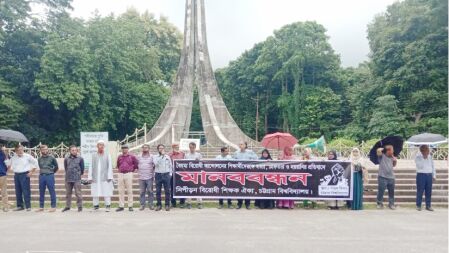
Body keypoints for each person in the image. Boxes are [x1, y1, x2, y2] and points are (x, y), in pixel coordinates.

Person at [10, 144, 39, 211]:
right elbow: (8, 163)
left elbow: (36, 162)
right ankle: (20, 206)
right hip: (16, 175)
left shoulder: (27, 156)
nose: (20, 151)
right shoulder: (13, 157)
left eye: (21, 150)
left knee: (26, 191)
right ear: (16, 151)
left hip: (24, 175)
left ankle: (28, 206)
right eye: (18, 150)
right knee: (18, 191)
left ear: (23, 149)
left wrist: (32, 171)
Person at [88, 140, 114, 212]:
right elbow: (90, 166)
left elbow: (110, 166)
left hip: (105, 177)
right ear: (97, 146)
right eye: (99, 145)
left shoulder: (107, 154)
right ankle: (96, 206)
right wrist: (90, 177)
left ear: (104, 146)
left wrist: (110, 176)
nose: (101, 146)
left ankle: (108, 206)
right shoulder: (93, 155)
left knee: (106, 192)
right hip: (95, 177)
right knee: (95, 192)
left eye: (102, 145)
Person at [232, 141, 258, 209]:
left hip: (248, 173)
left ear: (245, 145)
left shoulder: (250, 152)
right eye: (239, 144)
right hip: (239, 174)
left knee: (247, 189)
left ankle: (247, 204)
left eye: (242, 144)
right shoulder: (236, 153)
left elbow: (256, 159)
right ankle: (239, 203)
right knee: (240, 189)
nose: (240, 145)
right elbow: (232, 161)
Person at [62, 145, 85, 212]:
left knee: (78, 193)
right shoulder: (66, 158)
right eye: (73, 150)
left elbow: (82, 169)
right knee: (68, 193)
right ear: (70, 151)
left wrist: (78, 174)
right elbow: (66, 167)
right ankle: (67, 206)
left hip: (77, 178)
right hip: (68, 178)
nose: (74, 151)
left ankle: (80, 206)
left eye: (75, 150)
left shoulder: (80, 158)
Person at [116, 144, 138, 212]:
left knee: (129, 190)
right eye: (123, 148)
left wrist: (132, 170)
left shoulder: (132, 156)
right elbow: (118, 165)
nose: (124, 149)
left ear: (128, 149)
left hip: (128, 174)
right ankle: (121, 206)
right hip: (121, 174)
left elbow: (136, 164)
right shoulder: (119, 156)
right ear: (121, 149)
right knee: (121, 191)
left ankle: (130, 206)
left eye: (125, 148)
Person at [37, 145, 59, 212]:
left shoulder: (52, 157)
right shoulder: (39, 159)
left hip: (50, 176)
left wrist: (51, 172)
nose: (45, 151)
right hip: (41, 176)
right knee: (41, 191)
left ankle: (53, 207)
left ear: (48, 150)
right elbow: (40, 167)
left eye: (46, 149)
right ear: (41, 151)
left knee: (52, 191)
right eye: (43, 150)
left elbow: (56, 167)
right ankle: (41, 207)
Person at [414, 145, 436, 211]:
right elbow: (419, 166)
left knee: (429, 191)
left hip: (429, 175)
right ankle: (418, 205)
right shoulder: (418, 157)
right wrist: (424, 158)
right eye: (427, 149)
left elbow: (433, 166)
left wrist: (434, 175)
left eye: (428, 149)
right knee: (420, 191)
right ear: (422, 150)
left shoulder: (430, 157)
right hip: (421, 175)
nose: (428, 151)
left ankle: (428, 205)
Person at [376, 145, 397, 210]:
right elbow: (378, 151)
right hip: (382, 176)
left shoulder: (392, 156)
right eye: (392, 150)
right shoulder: (382, 156)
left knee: (391, 192)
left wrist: (395, 160)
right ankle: (379, 203)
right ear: (388, 150)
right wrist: (383, 148)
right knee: (381, 191)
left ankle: (391, 204)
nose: (393, 151)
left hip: (391, 177)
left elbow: (394, 165)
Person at [153, 144, 172, 211]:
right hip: (158, 175)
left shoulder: (167, 156)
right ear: (158, 149)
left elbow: (170, 166)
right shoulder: (155, 156)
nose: (161, 149)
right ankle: (159, 205)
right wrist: (161, 156)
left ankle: (167, 205)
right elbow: (156, 164)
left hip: (166, 175)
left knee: (167, 191)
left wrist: (170, 174)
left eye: (162, 148)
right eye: (160, 148)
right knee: (158, 191)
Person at [184, 142, 203, 209]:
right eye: (190, 147)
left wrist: (198, 161)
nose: (191, 149)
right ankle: (188, 203)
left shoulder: (199, 155)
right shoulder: (186, 155)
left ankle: (199, 203)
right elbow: (184, 165)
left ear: (195, 147)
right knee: (189, 189)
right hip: (189, 174)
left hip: (197, 174)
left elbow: (202, 164)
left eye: (192, 147)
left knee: (198, 188)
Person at [137, 144, 155, 211]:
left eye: (146, 147)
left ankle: (151, 205)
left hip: (149, 177)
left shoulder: (152, 156)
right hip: (141, 177)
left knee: (150, 191)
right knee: (142, 192)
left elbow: (155, 165)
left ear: (149, 148)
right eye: (143, 147)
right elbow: (136, 164)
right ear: (142, 149)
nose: (145, 148)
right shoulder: (138, 156)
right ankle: (142, 205)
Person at [168, 142, 185, 208]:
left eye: (178, 146)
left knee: (182, 188)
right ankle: (173, 203)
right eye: (175, 146)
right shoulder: (169, 154)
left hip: (181, 174)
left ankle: (182, 202)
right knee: (172, 188)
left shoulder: (182, 154)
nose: (177, 147)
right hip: (173, 174)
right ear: (173, 147)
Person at [0, 145, 10, 212]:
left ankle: (5, 207)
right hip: (3, 173)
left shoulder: (4, 153)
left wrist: (6, 153)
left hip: (2, 175)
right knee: (4, 192)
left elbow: (8, 164)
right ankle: (5, 207)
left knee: (4, 192)